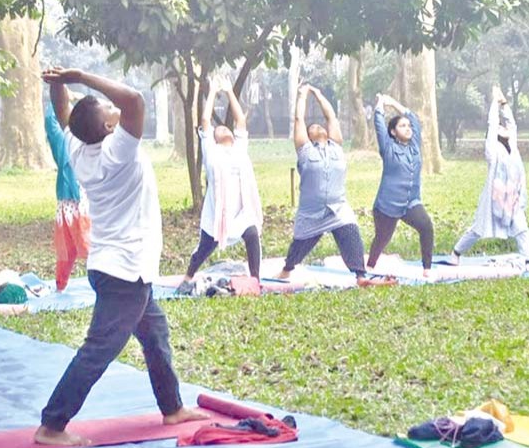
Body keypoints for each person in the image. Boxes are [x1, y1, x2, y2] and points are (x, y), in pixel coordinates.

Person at [36, 67, 207, 446]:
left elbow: (65, 114)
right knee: (99, 349)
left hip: (120, 269)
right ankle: (52, 425)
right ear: (109, 129)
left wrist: (59, 85)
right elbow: (134, 100)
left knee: (155, 334)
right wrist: (80, 75)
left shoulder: (79, 148)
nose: (116, 110)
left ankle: (172, 408)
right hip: (124, 274)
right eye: (108, 112)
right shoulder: (119, 152)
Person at [276, 85, 394, 286]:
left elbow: (331, 117)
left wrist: (320, 95)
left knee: (351, 233)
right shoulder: (305, 150)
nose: (319, 126)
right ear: (307, 134)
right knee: (299, 246)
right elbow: (299, 119)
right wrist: (302, 95)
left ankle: (361, 277)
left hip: (338, 208)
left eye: (320, 126)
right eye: (313, 127)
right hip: (311, 213)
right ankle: (286, 270)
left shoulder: (336, 146)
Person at [178, 76, 263, 293]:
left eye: (226, 129)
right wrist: (213, 92)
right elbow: (205, 121)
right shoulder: (211, 151)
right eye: (219, 130)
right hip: (218, 213)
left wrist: (230, 92)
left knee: (252, 235)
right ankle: (188, 276)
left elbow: (240, 121)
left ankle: (255, 280)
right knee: (204, 249)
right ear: (214, 138)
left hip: (241, 211)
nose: (223, 129)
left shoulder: (239, 148)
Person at [450, 86, 529, 263]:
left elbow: (512, 125)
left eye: (504, 128)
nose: (503, 128)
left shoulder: (513, 149)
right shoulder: (492, 151)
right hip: (493, 198)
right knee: (478, 230)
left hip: (511, 198)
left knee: (521, 229)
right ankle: (456, 253)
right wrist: (494, 104)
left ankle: (526, 259)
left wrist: (504, 104)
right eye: (500, 128)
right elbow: (492, 124)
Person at [367, 93, 434, 277]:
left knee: (426, 226)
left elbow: (414, 119)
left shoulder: (414, 147)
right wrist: (380, 104)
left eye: (408, 126)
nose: (408, 128)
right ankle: (370, 265)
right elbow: (379, 126)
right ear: (393, 132)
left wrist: (394, 103)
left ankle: (427, 268)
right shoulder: (388, 148)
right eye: (402, 126)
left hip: (410, 203)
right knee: (382, 239)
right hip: (387, 206)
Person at [44, 90, 91, 291]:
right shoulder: (63, 140)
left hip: (85, 199)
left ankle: (106, 282)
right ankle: (60, 284)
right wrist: (65, 96)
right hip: (71, 202)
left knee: (87, 244)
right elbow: (50, 119)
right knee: (70, 248)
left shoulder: (88, 137)